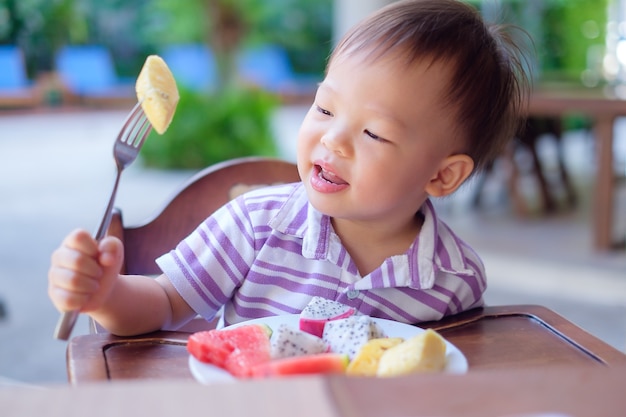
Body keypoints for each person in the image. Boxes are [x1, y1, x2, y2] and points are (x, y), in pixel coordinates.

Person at [48, 0, 530, 336]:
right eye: (324, 109)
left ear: (442, 176)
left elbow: (446, 373)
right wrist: (105, 295)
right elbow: (164, 304)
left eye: (374, 133)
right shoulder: (256, 223)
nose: (332, 138)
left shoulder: (455, 279)